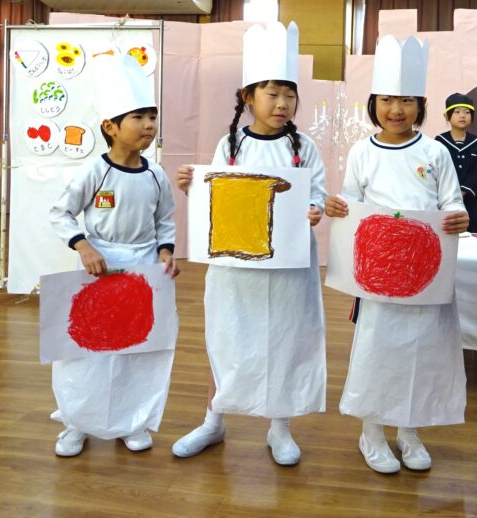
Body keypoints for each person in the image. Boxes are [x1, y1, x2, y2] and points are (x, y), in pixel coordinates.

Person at [171, 21, 327, 467]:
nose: (282, 104)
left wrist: (314, 209)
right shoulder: (231, 145)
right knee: (227, 337)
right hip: (236, 267)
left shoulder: (304, 148)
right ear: (248, 97)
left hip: (288, 267)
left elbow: (316, 193)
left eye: (289, 94)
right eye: (272, 93)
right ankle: (213, 420)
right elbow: (218, 201)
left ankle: (280, 426)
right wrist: (192, 187)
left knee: (284, 338)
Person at [325, 34, 469, 474]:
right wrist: (338, 208)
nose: (397, 109)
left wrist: (458, 215)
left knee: (421, 352)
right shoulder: (362, 151)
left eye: (407, 100)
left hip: (425, 274)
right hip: (379, 277)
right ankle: (371, 431)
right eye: (388, 99)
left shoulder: (435, 152)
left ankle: (409, 430)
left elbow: (451, 200)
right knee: (377, 350)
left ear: (420, 105)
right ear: (374, 103)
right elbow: (351, 202)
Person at [48, 54, 179, 457]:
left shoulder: (156, 174)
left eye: (152, 117)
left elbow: (165, 220)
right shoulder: (94, 172)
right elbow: (61, 212)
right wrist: (83, 245)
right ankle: (76, 422)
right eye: (138, 117)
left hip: (142, 269)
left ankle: (132, 421)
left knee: (136, 350)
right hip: (99, 270)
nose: (149, 125)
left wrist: (166, 251)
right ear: (110, 127)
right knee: (86, 352)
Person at [435, 92, 477, 231]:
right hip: (444, 197)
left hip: (468, 198)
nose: (462, 116)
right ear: (446, 116)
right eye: (457, 112)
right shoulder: (439, 141)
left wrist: (463, 190)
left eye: (467, 112)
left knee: (468, 229)